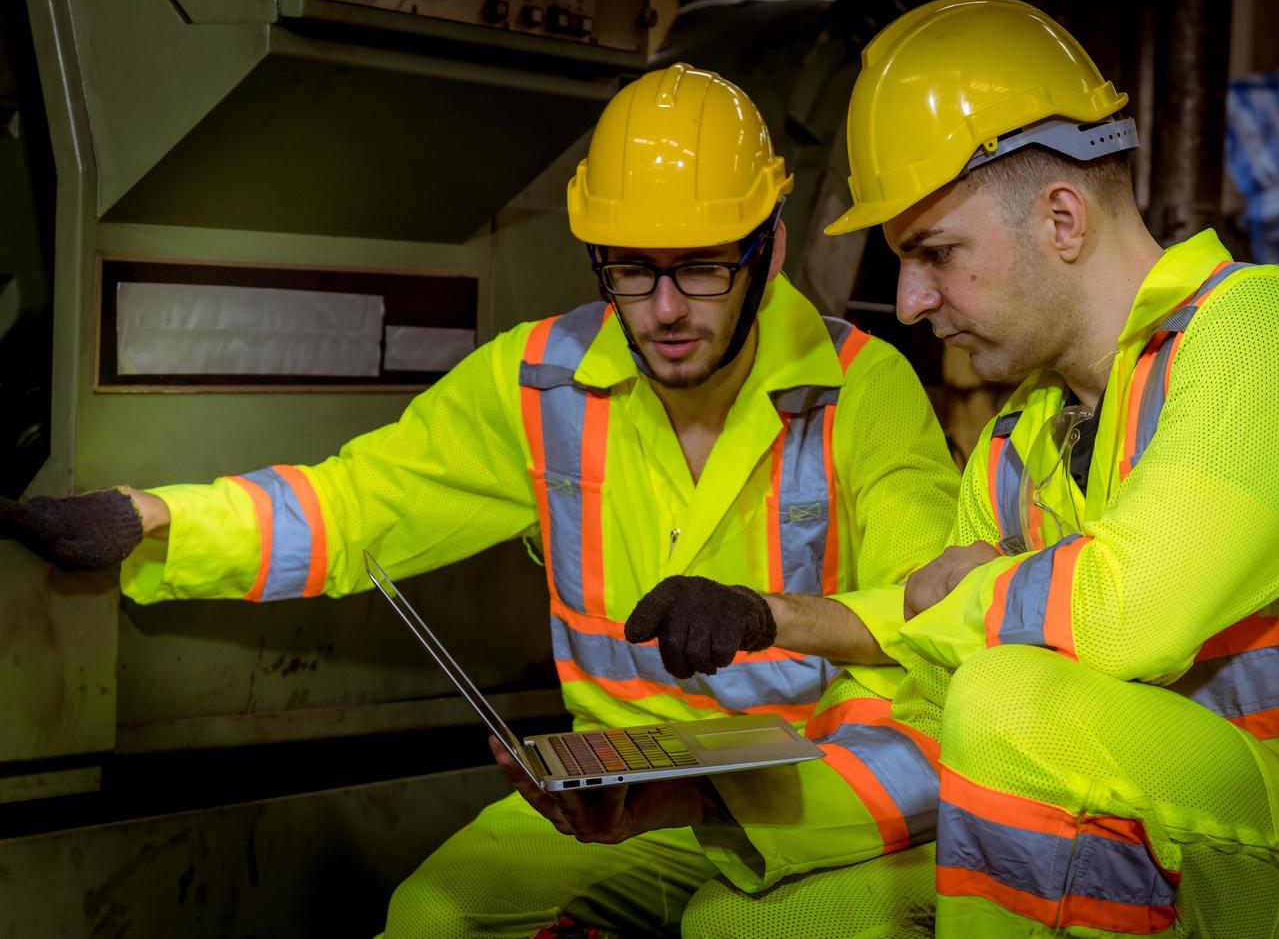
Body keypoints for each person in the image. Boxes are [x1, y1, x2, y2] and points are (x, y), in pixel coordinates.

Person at [0, 63, 961, 937]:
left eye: (704, 266)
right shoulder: (541, 381)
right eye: (631, 268)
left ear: (771, 248)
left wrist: (772, 617)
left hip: (814, 804)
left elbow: (938, 617)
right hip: (618, 802)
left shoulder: (862, 389)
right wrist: (151, 520)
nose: (665, 309)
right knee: (431, 921)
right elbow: (361, 504)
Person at [687, 0, 1279, 937]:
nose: (910, 299)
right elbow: (942, 680)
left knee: (1010, 698)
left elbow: (1116, 615)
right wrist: (762, 657)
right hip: (1170, 840)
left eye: (934, 252)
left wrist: (965, 601)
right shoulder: (1021, 441)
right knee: (749, 923)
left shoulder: (1271, 330)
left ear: (1062, 218)